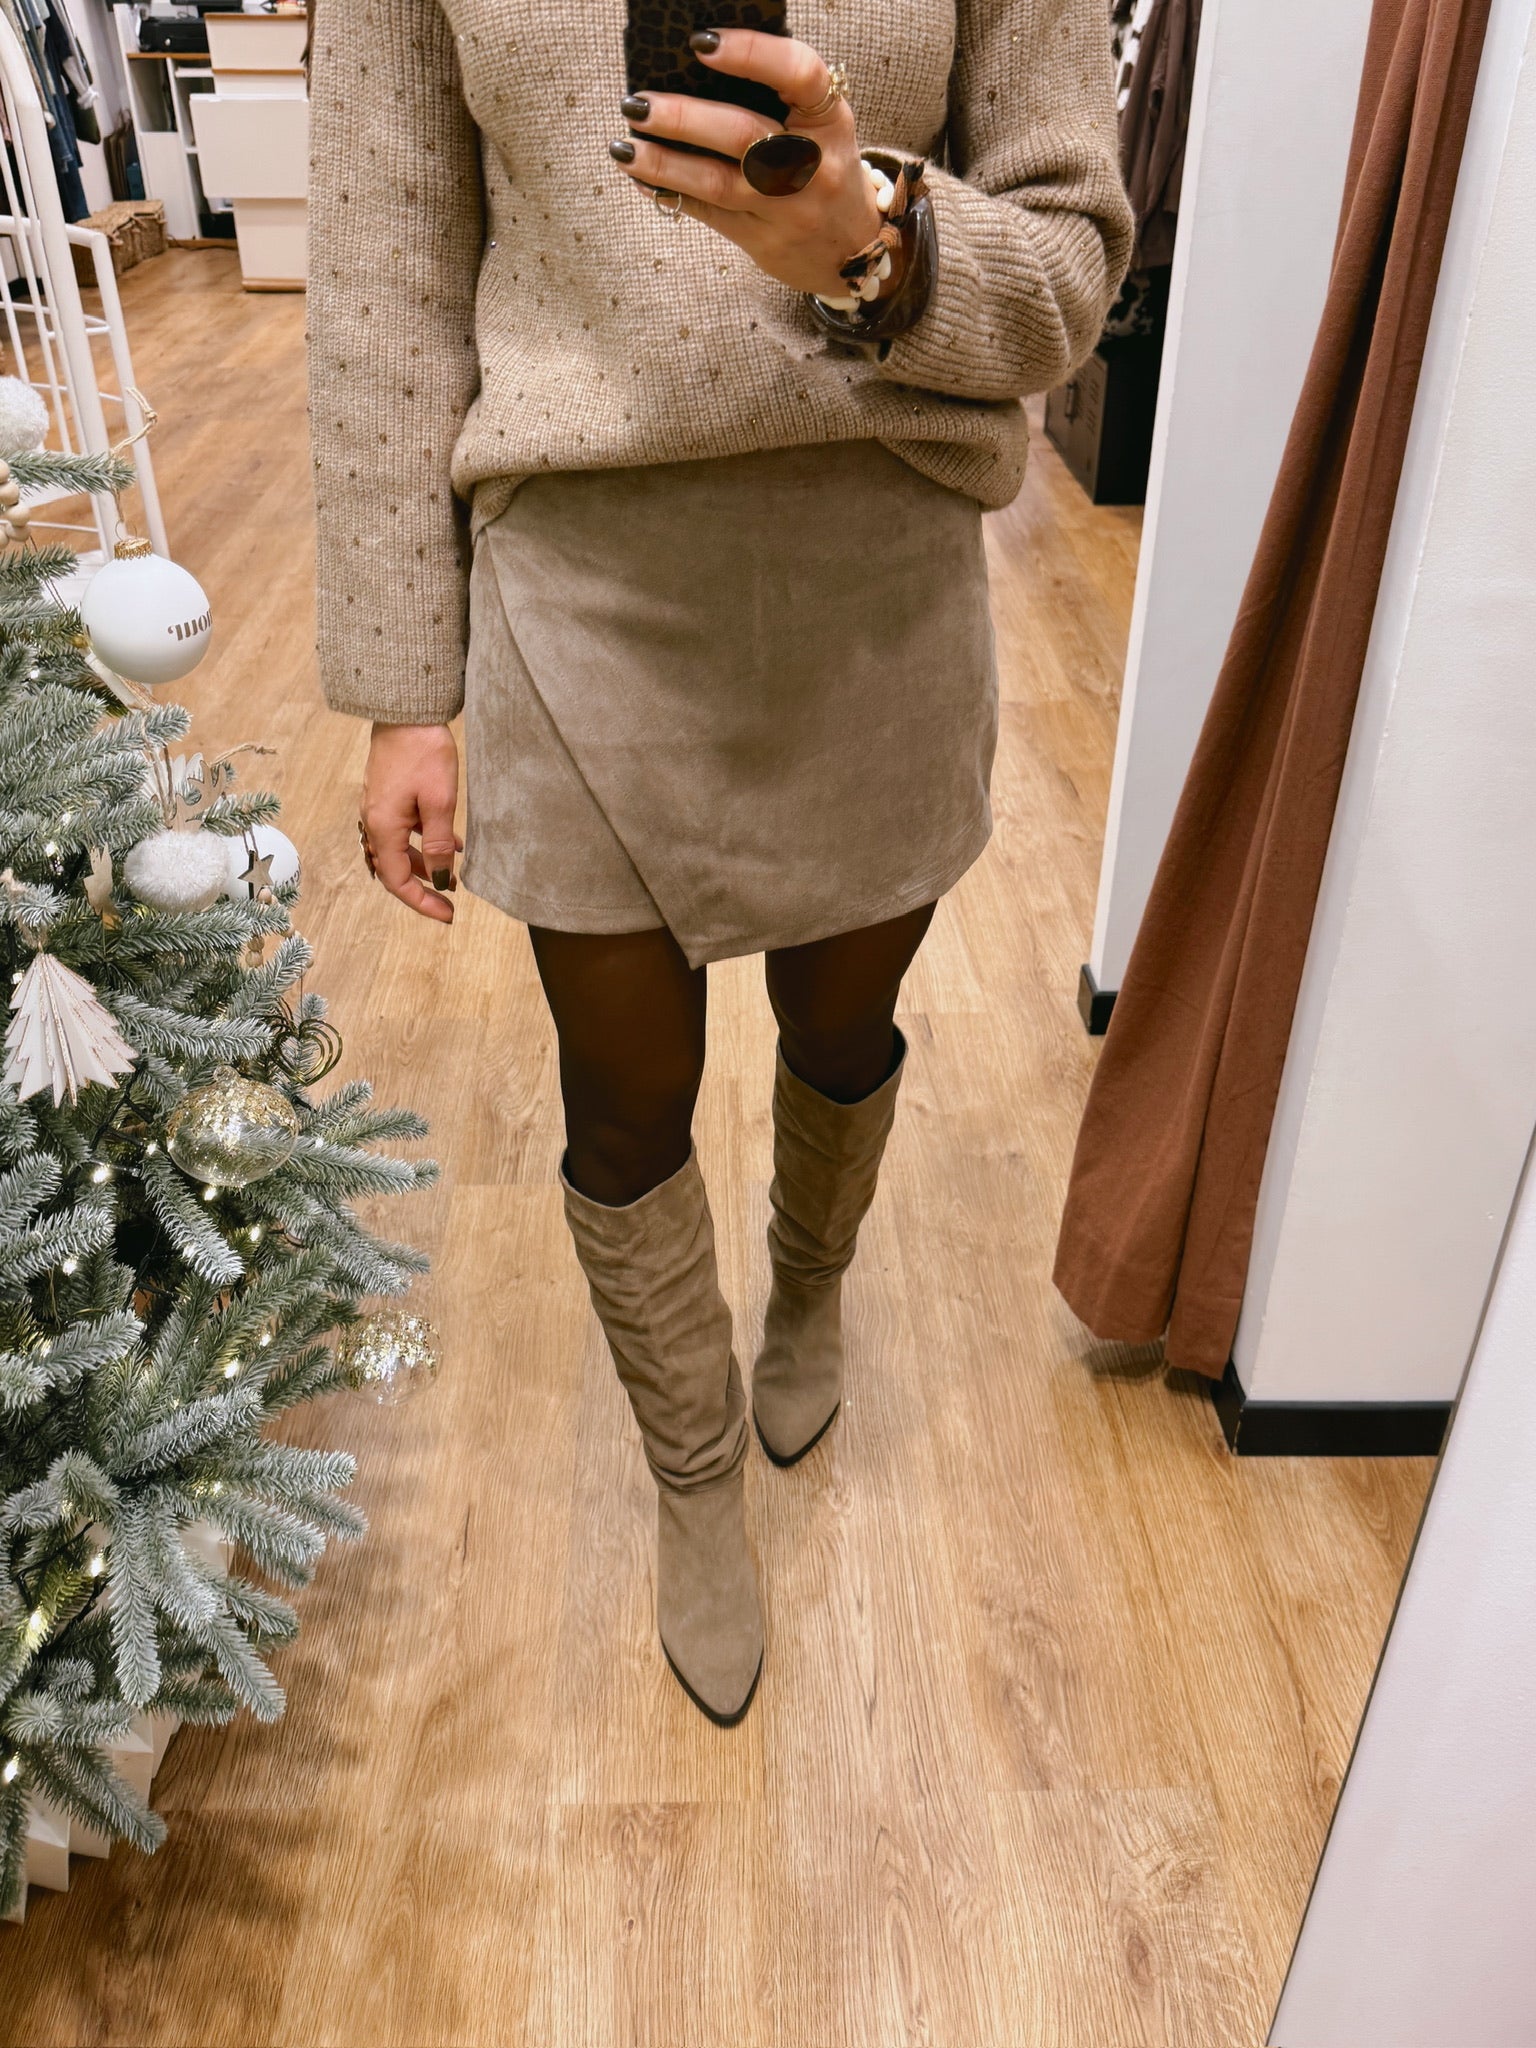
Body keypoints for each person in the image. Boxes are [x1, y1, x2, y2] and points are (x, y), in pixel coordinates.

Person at [308, 1, 1131, 1728]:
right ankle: (693, 1474)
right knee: (621, 1100)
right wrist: (402, 688)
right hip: (577, 571)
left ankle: (809, 1294)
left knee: (841, 1028)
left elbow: (1071, 265)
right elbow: (386, 273)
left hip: (876, 555)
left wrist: (874, 244)